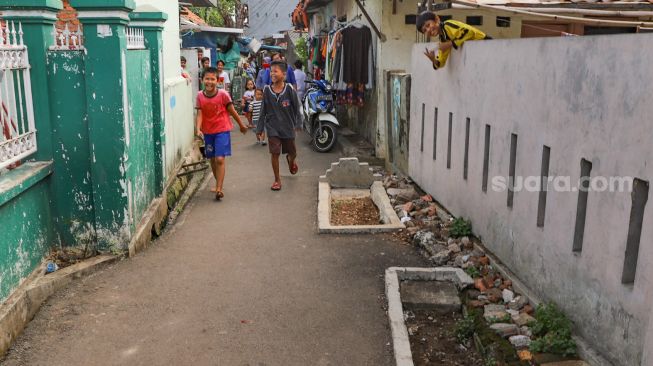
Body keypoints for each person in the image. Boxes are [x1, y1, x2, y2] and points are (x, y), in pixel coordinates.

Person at [195, 67, 248, 200]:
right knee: (212, 159)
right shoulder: (200, 96)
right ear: (202, 80)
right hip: (208, 132)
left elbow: (231, 111)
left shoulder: (223, 94)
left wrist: (241, 125)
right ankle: (217, 182)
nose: (210, 82)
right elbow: (199, 113)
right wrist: (198, 128)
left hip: (222, 130)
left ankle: (219, 188)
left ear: (217, 80)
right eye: (207, 79)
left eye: (213, 79)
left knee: (219, 159)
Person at [256, 61, 301, 191]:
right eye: (271, 71)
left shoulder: (289, 89)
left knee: (293, 152)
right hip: (272, 127)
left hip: (288, 127)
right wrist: (259, 129)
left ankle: (290, 160)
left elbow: (297, 108)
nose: (273, 74)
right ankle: (277, 179)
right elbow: (263, 111)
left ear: (284, 74)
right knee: (274, 153)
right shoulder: (267, 90)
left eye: (276, 71)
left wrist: (298, 123)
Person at [417, 11, 491, 70]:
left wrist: (450, 44)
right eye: (425, 30)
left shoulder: (448, 25)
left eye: (428, 25)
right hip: (481, 54)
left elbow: (469, 32)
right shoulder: (443, 39)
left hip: (488, 43)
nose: (428, 29)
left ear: (436, 19)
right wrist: (433, 59)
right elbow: (441, 62)